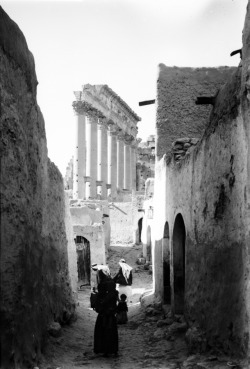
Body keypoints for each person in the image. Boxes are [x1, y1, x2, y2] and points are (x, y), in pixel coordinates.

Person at [93, 279, 119, 357]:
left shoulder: (105, 295)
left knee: (103, 333)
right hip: (110, 317)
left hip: (103, 317)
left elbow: (99, 307)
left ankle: (104, 350)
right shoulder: (114, 294)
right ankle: (112, 350)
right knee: (111, 334)